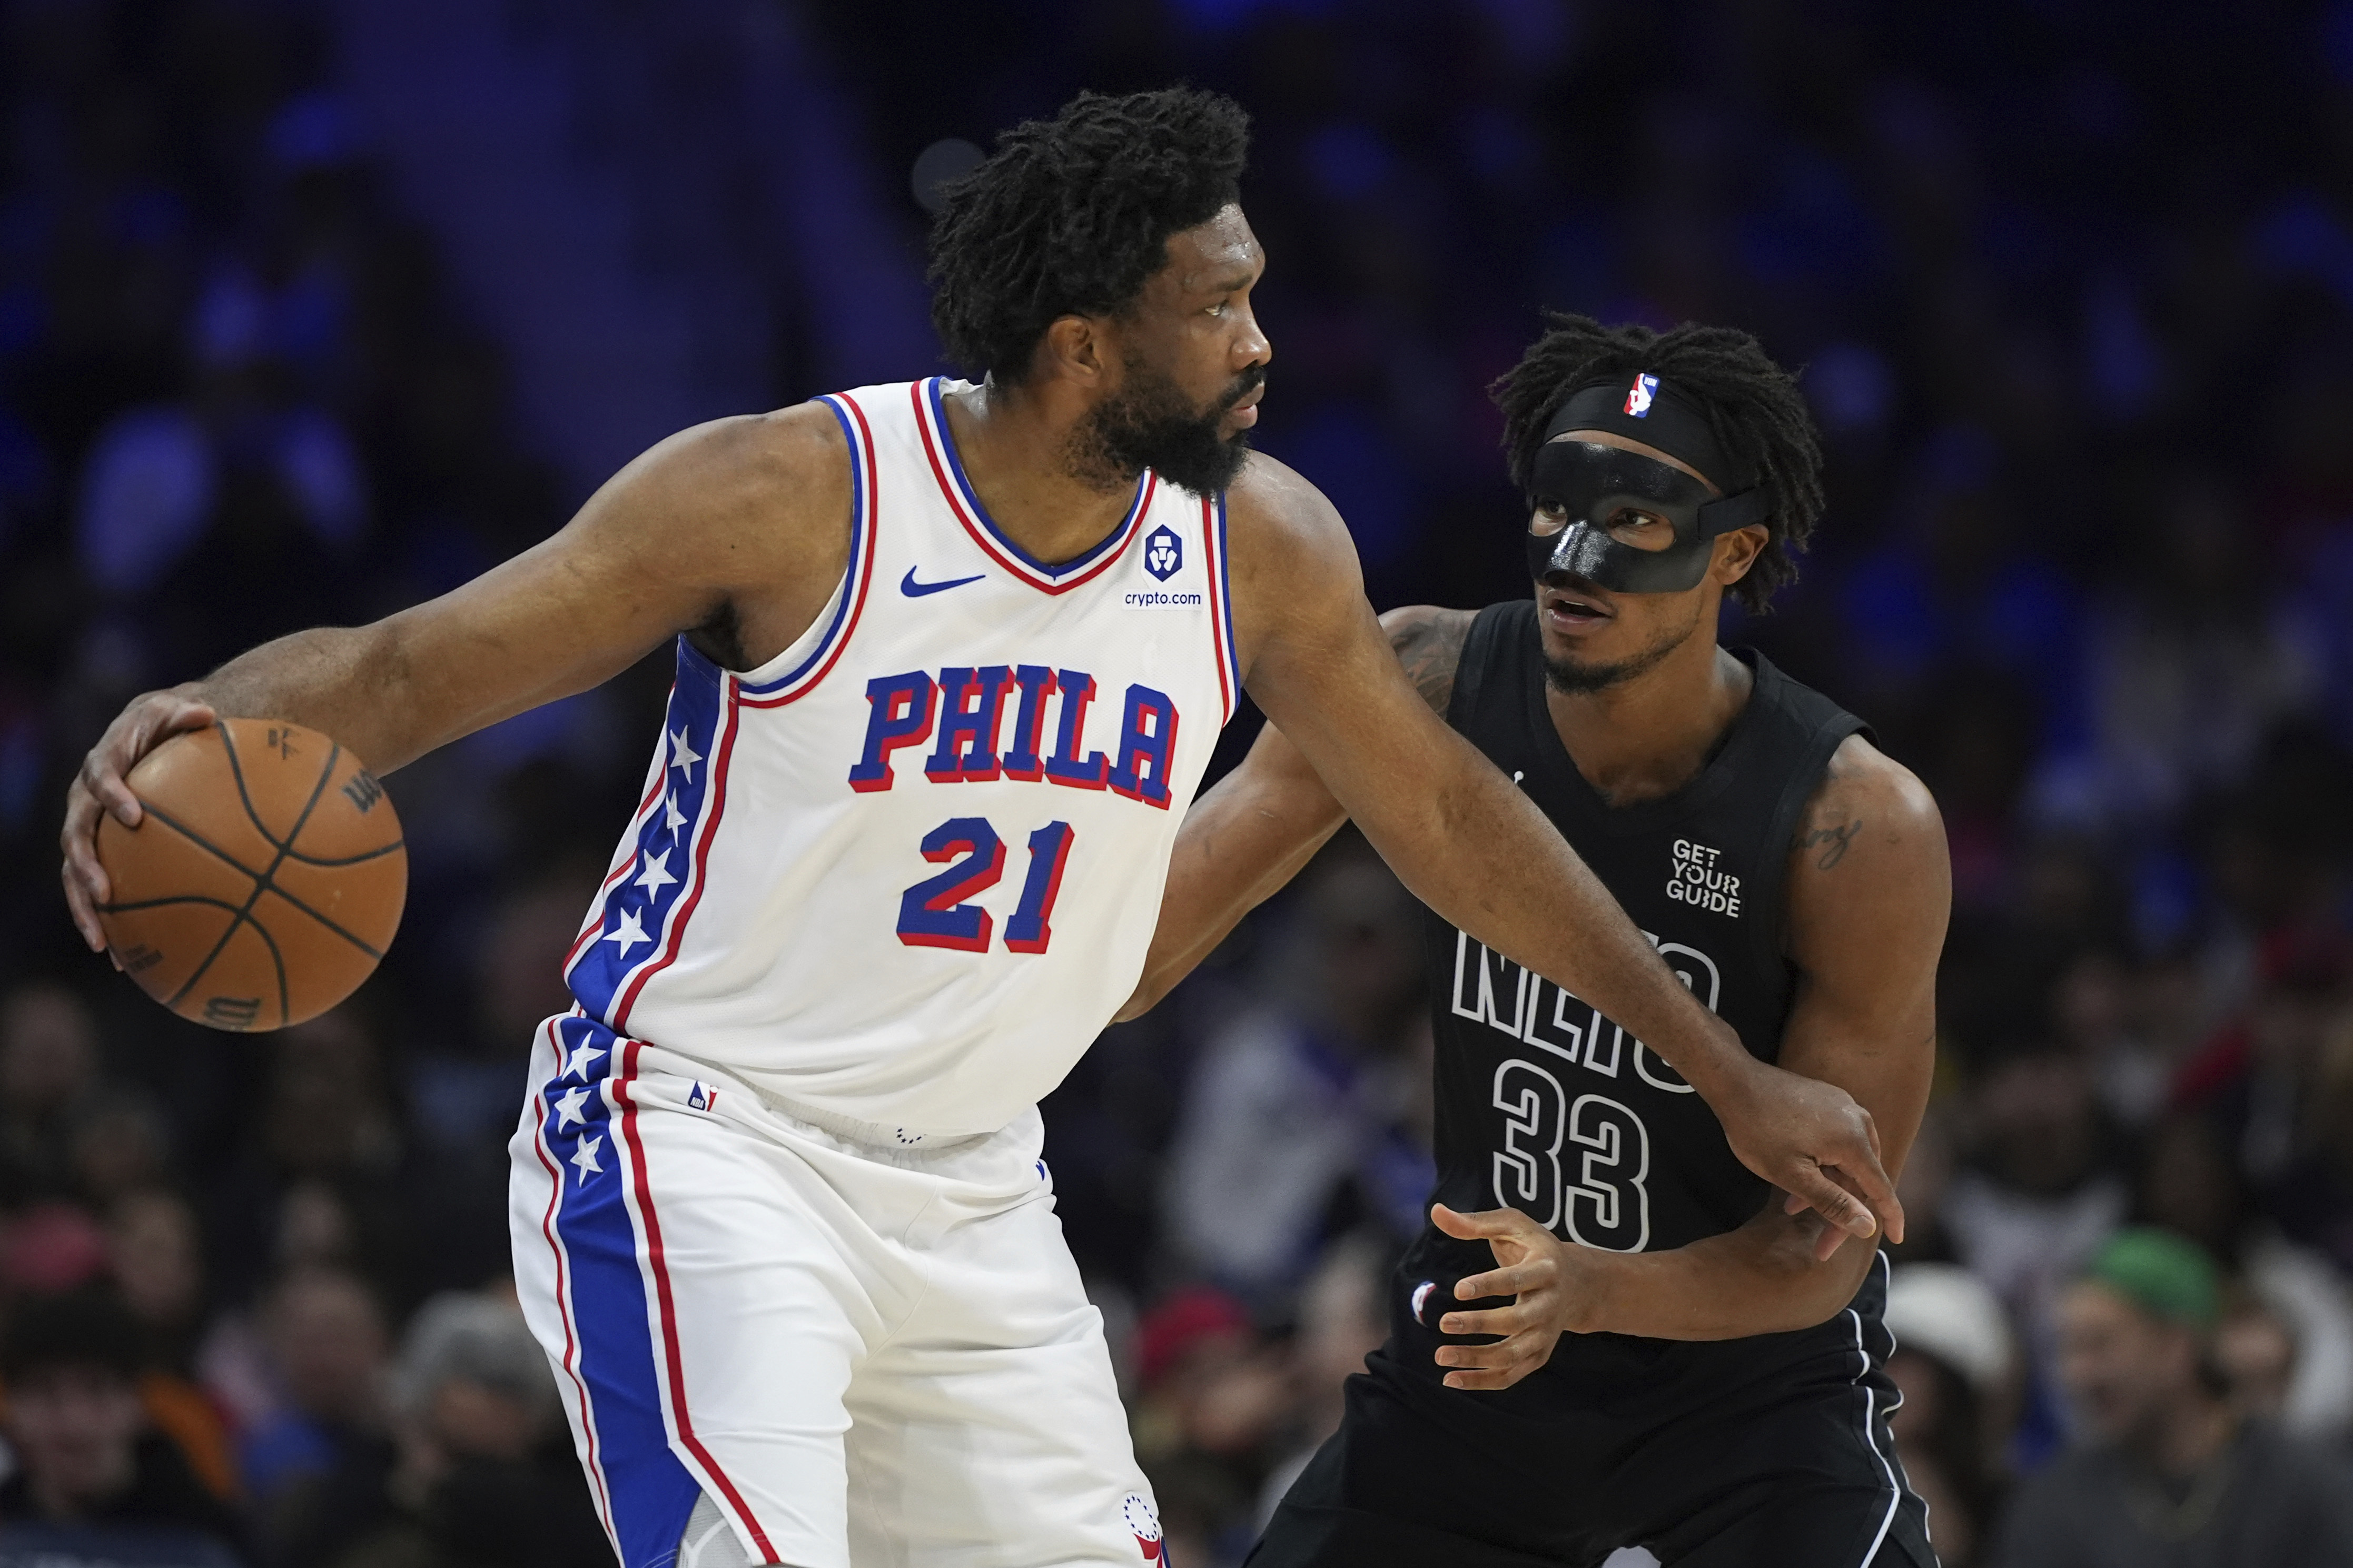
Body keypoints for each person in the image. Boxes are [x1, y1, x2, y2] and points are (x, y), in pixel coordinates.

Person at [58, 91, 1901, 1568]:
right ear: (1089, 347)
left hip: (971, 1180)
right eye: (1222, 304)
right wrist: (201, 717)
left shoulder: (1262, 542)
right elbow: (401, 670)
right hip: (703, 1134)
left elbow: (1443, 817)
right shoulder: (786, 494)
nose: (1264, 340)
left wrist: (1721, 1075)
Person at [1130, 313, 1951, 1564]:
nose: (1576, 553)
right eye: (1559, 501)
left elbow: (1816, 1250)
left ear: (1733, 550)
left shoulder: (1856, 823)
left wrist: (1597, 1286)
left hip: (1746, 1385)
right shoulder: (1423, 676)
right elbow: (1149, 939)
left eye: (1633, 520)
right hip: (1485, 1335)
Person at [1991, 1227, 2353, 1567]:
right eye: (2068, 1350)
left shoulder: (2303, 1491)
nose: (2076, 1375)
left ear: (2176, 1348)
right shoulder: (2057, 1504)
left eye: (2099, 1345)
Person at [0, 1287, 245, 1567]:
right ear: (13, 1409)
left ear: (138, 1404)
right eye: (46, 1394)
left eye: (97, 1391)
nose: (74, 1423)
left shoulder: (208, 1542)